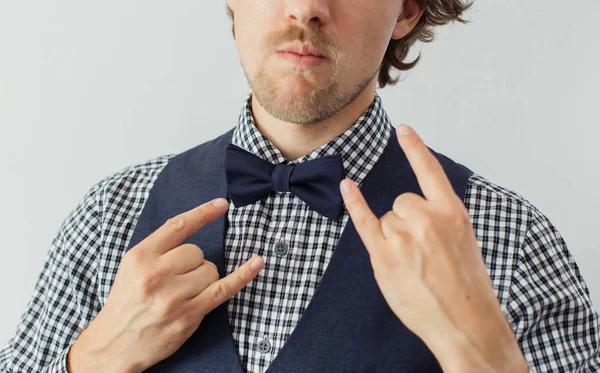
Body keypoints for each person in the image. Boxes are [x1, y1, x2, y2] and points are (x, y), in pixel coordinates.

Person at [1, 0, 599, 372]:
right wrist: (94, 362)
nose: (306, 7)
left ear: (408, 9)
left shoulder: (509, 239)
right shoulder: (113, 215)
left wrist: (481, 356)